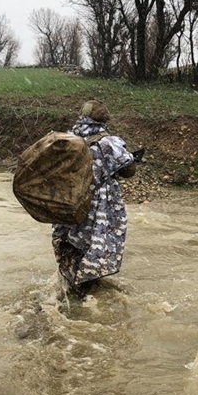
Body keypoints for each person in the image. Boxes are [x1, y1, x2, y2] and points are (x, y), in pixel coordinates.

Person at [51, 100, 136, 295]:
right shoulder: (109, 143)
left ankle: (70, 286)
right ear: (103, 120)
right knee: (98, 243)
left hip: (71, 202)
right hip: (98, 205)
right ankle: (88, 289)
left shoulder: (68, 139)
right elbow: (129, 171)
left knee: (72, 244)